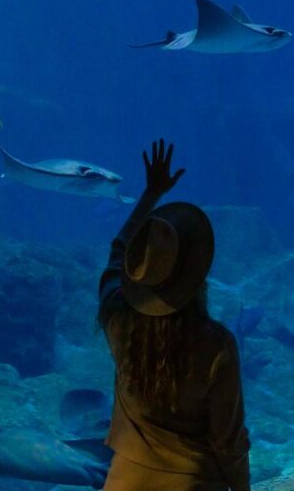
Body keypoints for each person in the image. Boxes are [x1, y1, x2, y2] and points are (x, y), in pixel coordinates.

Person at [97, 140, 251, 491]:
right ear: (196, 277)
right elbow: (230, 442)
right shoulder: (217, 347)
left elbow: (117, 254)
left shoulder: (117, 321)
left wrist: (150, 195)